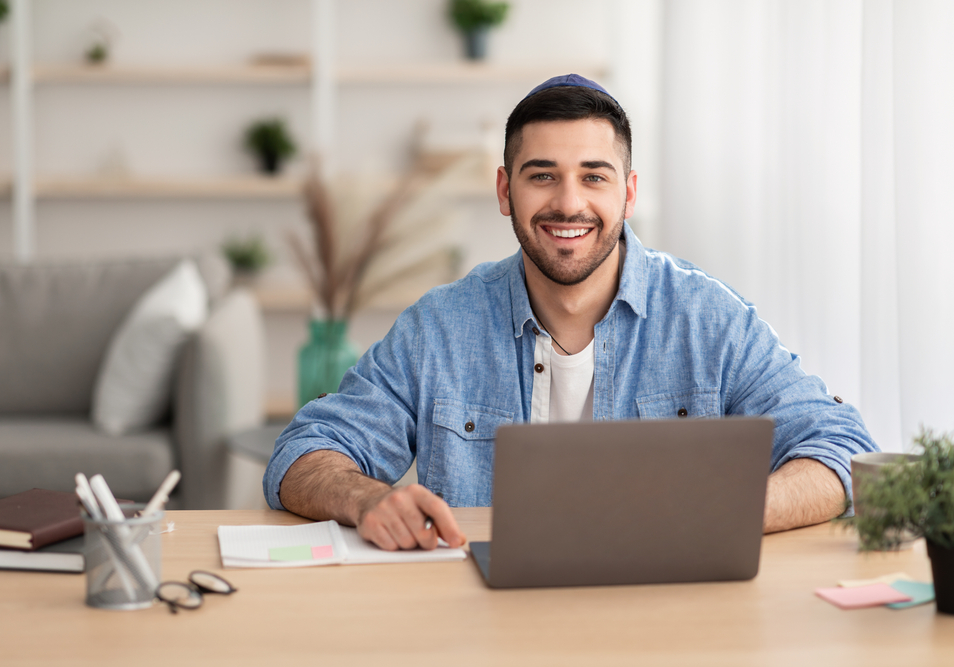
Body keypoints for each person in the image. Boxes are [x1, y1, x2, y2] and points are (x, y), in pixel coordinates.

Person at [264, 74, 879, 551]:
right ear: (505, 191)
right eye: (543, 176)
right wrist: (369, 500)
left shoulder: (708, 318)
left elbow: (842, 450)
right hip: (483, 622)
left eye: (594, 176)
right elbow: (304, 452)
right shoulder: (438, 327)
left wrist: (711, 515)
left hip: (665, 615)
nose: (568, 203)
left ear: (628, 193)